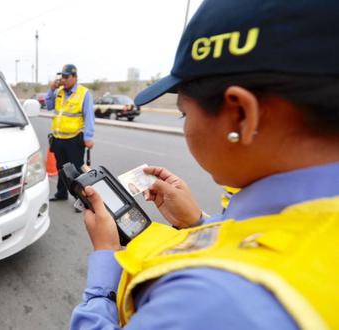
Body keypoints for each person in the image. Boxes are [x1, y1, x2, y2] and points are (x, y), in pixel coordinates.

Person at [71, 0, 339, 329]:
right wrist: (198, 224)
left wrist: (106, 261)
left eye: (184, 112)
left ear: (241, 116)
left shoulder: (211, 300)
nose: (185, 126)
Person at [45, 64, 95, 207]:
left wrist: (88, 136)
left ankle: (82, 198)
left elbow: (89, 116)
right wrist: (51, 89)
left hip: (74, 139)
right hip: (58, 139)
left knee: (77, 170)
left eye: (67, 77)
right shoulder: (59, 91)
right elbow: (49, 105)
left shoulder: (84, 93)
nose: (64, 80)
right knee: (61, 168)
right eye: (62, 77)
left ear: (74, 77)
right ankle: (61, 193)